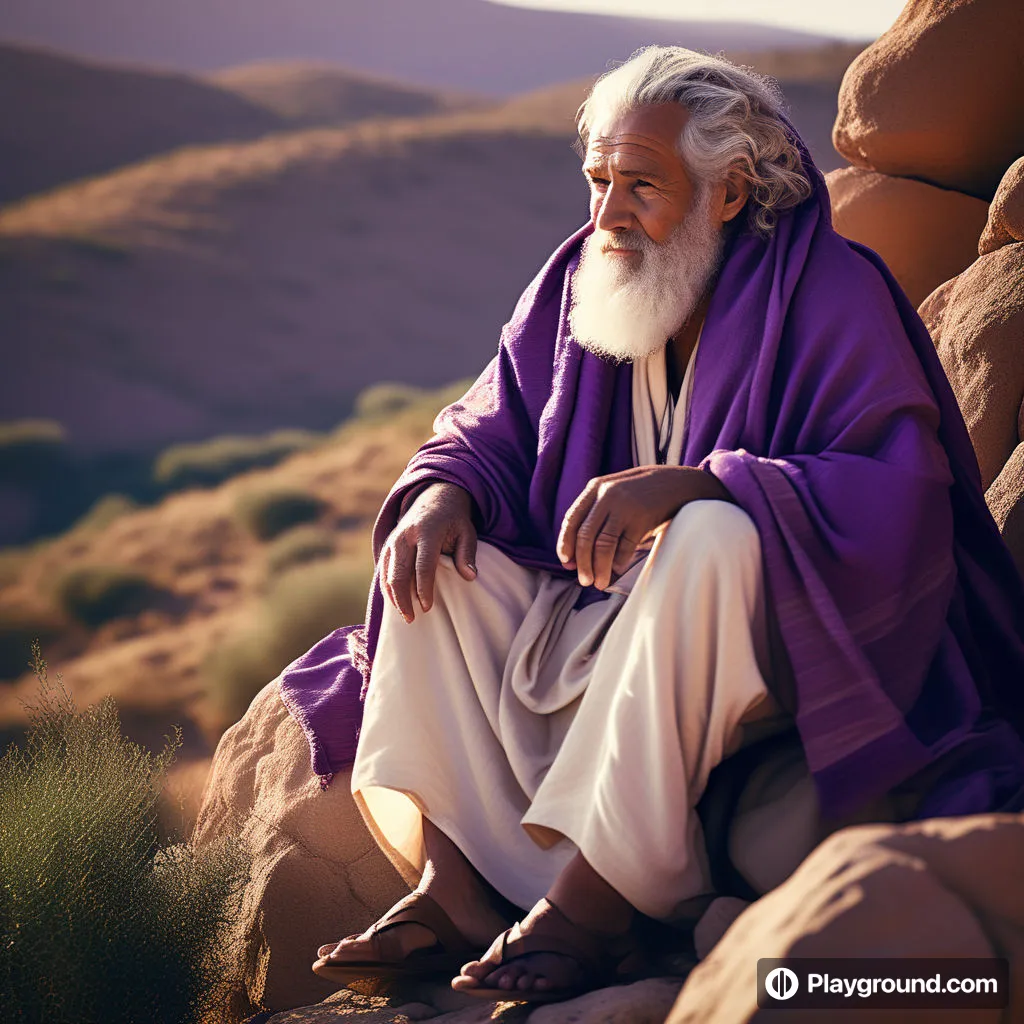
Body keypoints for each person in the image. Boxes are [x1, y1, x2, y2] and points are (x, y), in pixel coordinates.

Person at [280, 45, 1024, 1003]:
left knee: (714, 536)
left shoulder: (836, 292)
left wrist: (702, 485)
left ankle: (597, 902)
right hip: (599, 621)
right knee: (434, 554)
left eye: (641, 183)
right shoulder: (578, 279)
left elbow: (898, 493)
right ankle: (456, 886)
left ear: (728, 190)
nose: (607, 213)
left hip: (768, 643)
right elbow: (484, 427)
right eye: (598, 180)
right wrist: (441, 492)